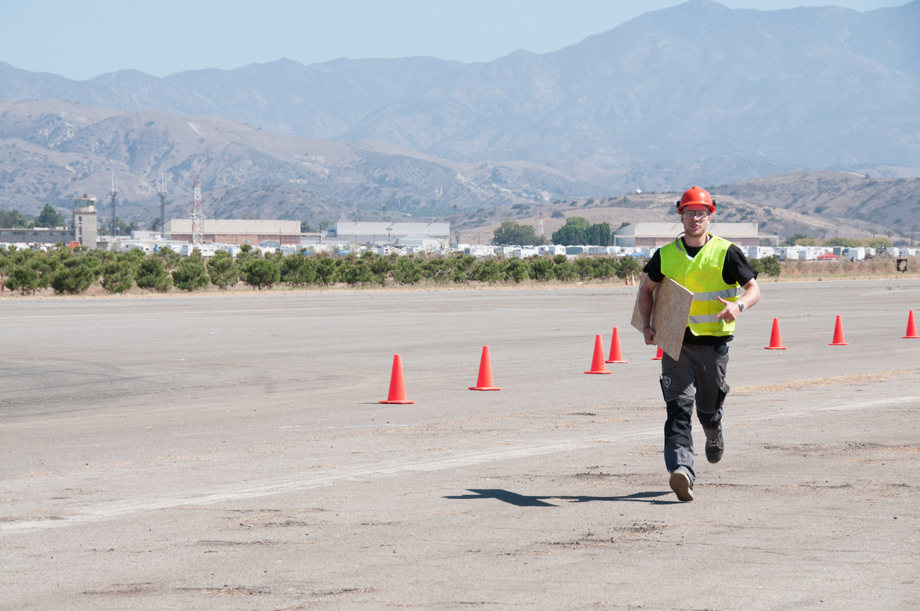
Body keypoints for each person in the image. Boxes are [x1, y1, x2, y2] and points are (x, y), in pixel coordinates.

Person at [636, 186, 761, 502]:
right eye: (689, 212)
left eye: (700, 213)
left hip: (713, 346)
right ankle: (682, 472)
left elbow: (753, 289)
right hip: (675, 344)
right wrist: (648, 325)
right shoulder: (665, 255)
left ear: (710, 216)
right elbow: (646, 289)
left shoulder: (726, 252)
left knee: (706, 409)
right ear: (681, 214)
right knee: (678, 408)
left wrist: (738, 306)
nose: (695, 218)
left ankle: (714, 430)